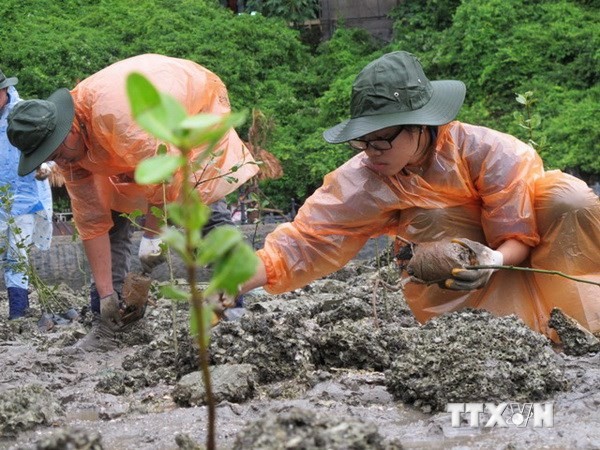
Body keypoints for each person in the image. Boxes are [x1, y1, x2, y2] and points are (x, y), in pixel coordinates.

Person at [238, 51, 600, 340]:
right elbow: (304, 242)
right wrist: (229, 285)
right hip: (461, 280)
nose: (371, 151)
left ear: (421, 125)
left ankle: (579, 325)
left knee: (569, 199)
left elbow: (517, 232)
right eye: (362, 141)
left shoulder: (489, 152)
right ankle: (482, 336)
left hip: (512, 252)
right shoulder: (365, 177)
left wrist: (491, 258)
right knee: (432, 217)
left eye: (381, 139)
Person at [6, 54, 258, 330]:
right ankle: (108, 320)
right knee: (111, 215)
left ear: (70, 130)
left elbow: (163, 174)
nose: (61, 163)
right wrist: (105, 295)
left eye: (58, 153)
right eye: (53, 158)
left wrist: (152, 237)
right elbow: (92, 222)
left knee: (199, 200)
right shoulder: (70, 152)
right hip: (129, 147)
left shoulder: (119, 117)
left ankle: (233, 308)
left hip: (191, 109)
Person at [0, 69, 53, 320]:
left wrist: (47, 167)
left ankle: (17, 315)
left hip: (26, 197)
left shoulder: (25, 114)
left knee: (17, 255)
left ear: (5, 90)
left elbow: (51, 144)